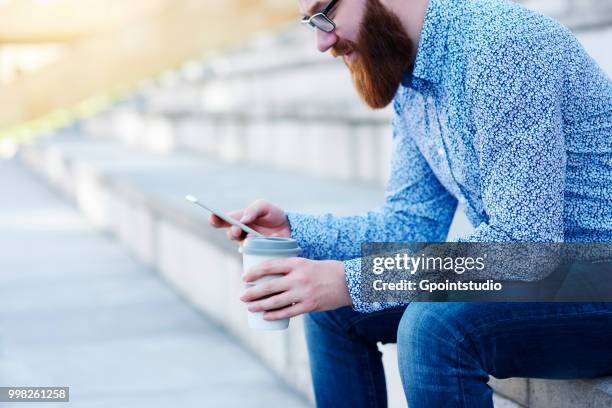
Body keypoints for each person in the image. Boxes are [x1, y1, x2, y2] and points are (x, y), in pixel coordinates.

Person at [210, 0, 612, 406]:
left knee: (434, 325)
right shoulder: (410, 72)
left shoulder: (502, 46)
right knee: (333, 310)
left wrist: (351, 280)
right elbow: (410, 224)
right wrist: (296, 231)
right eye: (310, 22)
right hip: (551, 275)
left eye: (325, 14)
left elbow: (523, 246)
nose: (321, 41)